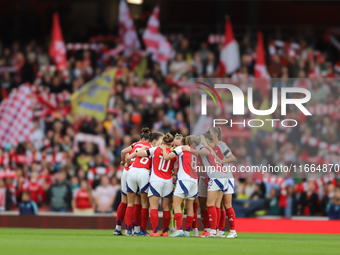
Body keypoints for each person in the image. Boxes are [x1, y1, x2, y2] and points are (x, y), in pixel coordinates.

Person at [114, 127, 152, 236]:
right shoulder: (149, 147)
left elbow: (123, 152)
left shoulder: (134, 145)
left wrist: (124, 161)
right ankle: (138, 229)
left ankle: (120, 228)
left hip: (128, 171)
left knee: (125, 201)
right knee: (139, 202)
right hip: (142, 171)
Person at [137, 133, 177, 237]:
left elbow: (140, 154)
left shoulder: (155, 149)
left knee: (154, 206)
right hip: (168, 181)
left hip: (156, 180)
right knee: (166, 207)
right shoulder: (173, 153)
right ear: (172, 143)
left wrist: (141, 149)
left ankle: (154, 231)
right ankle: (165, 231)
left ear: (163, 141)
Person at [124, 131, 163, 236]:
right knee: (145, 204)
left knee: (130, 203)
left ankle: (128, 230)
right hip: (144, 173)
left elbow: (128, 157)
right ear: (154, 141)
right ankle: (142, 231)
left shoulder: (139, 146)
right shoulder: (155, 150)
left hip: (132, 171)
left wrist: (126, 165)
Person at [161, 135, 199, 237]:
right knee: (190, 207)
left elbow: (166, 157)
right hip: (194, 181)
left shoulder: (181, 148)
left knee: (176, 204)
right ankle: (187, 232)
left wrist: (164, 149)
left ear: (183, 142)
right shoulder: (196, 152)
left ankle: (179, 229)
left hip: (184, 179)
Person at [208, 127, 237, 238]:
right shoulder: (214, 147)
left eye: (209, 133)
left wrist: (221, 161)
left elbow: (232, 157)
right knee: (220, 205)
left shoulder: (221, 145)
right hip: (222, 177)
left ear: (215, 134)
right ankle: (220, 231)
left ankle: (231, 231)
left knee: (225, 204)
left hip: (226, 177)